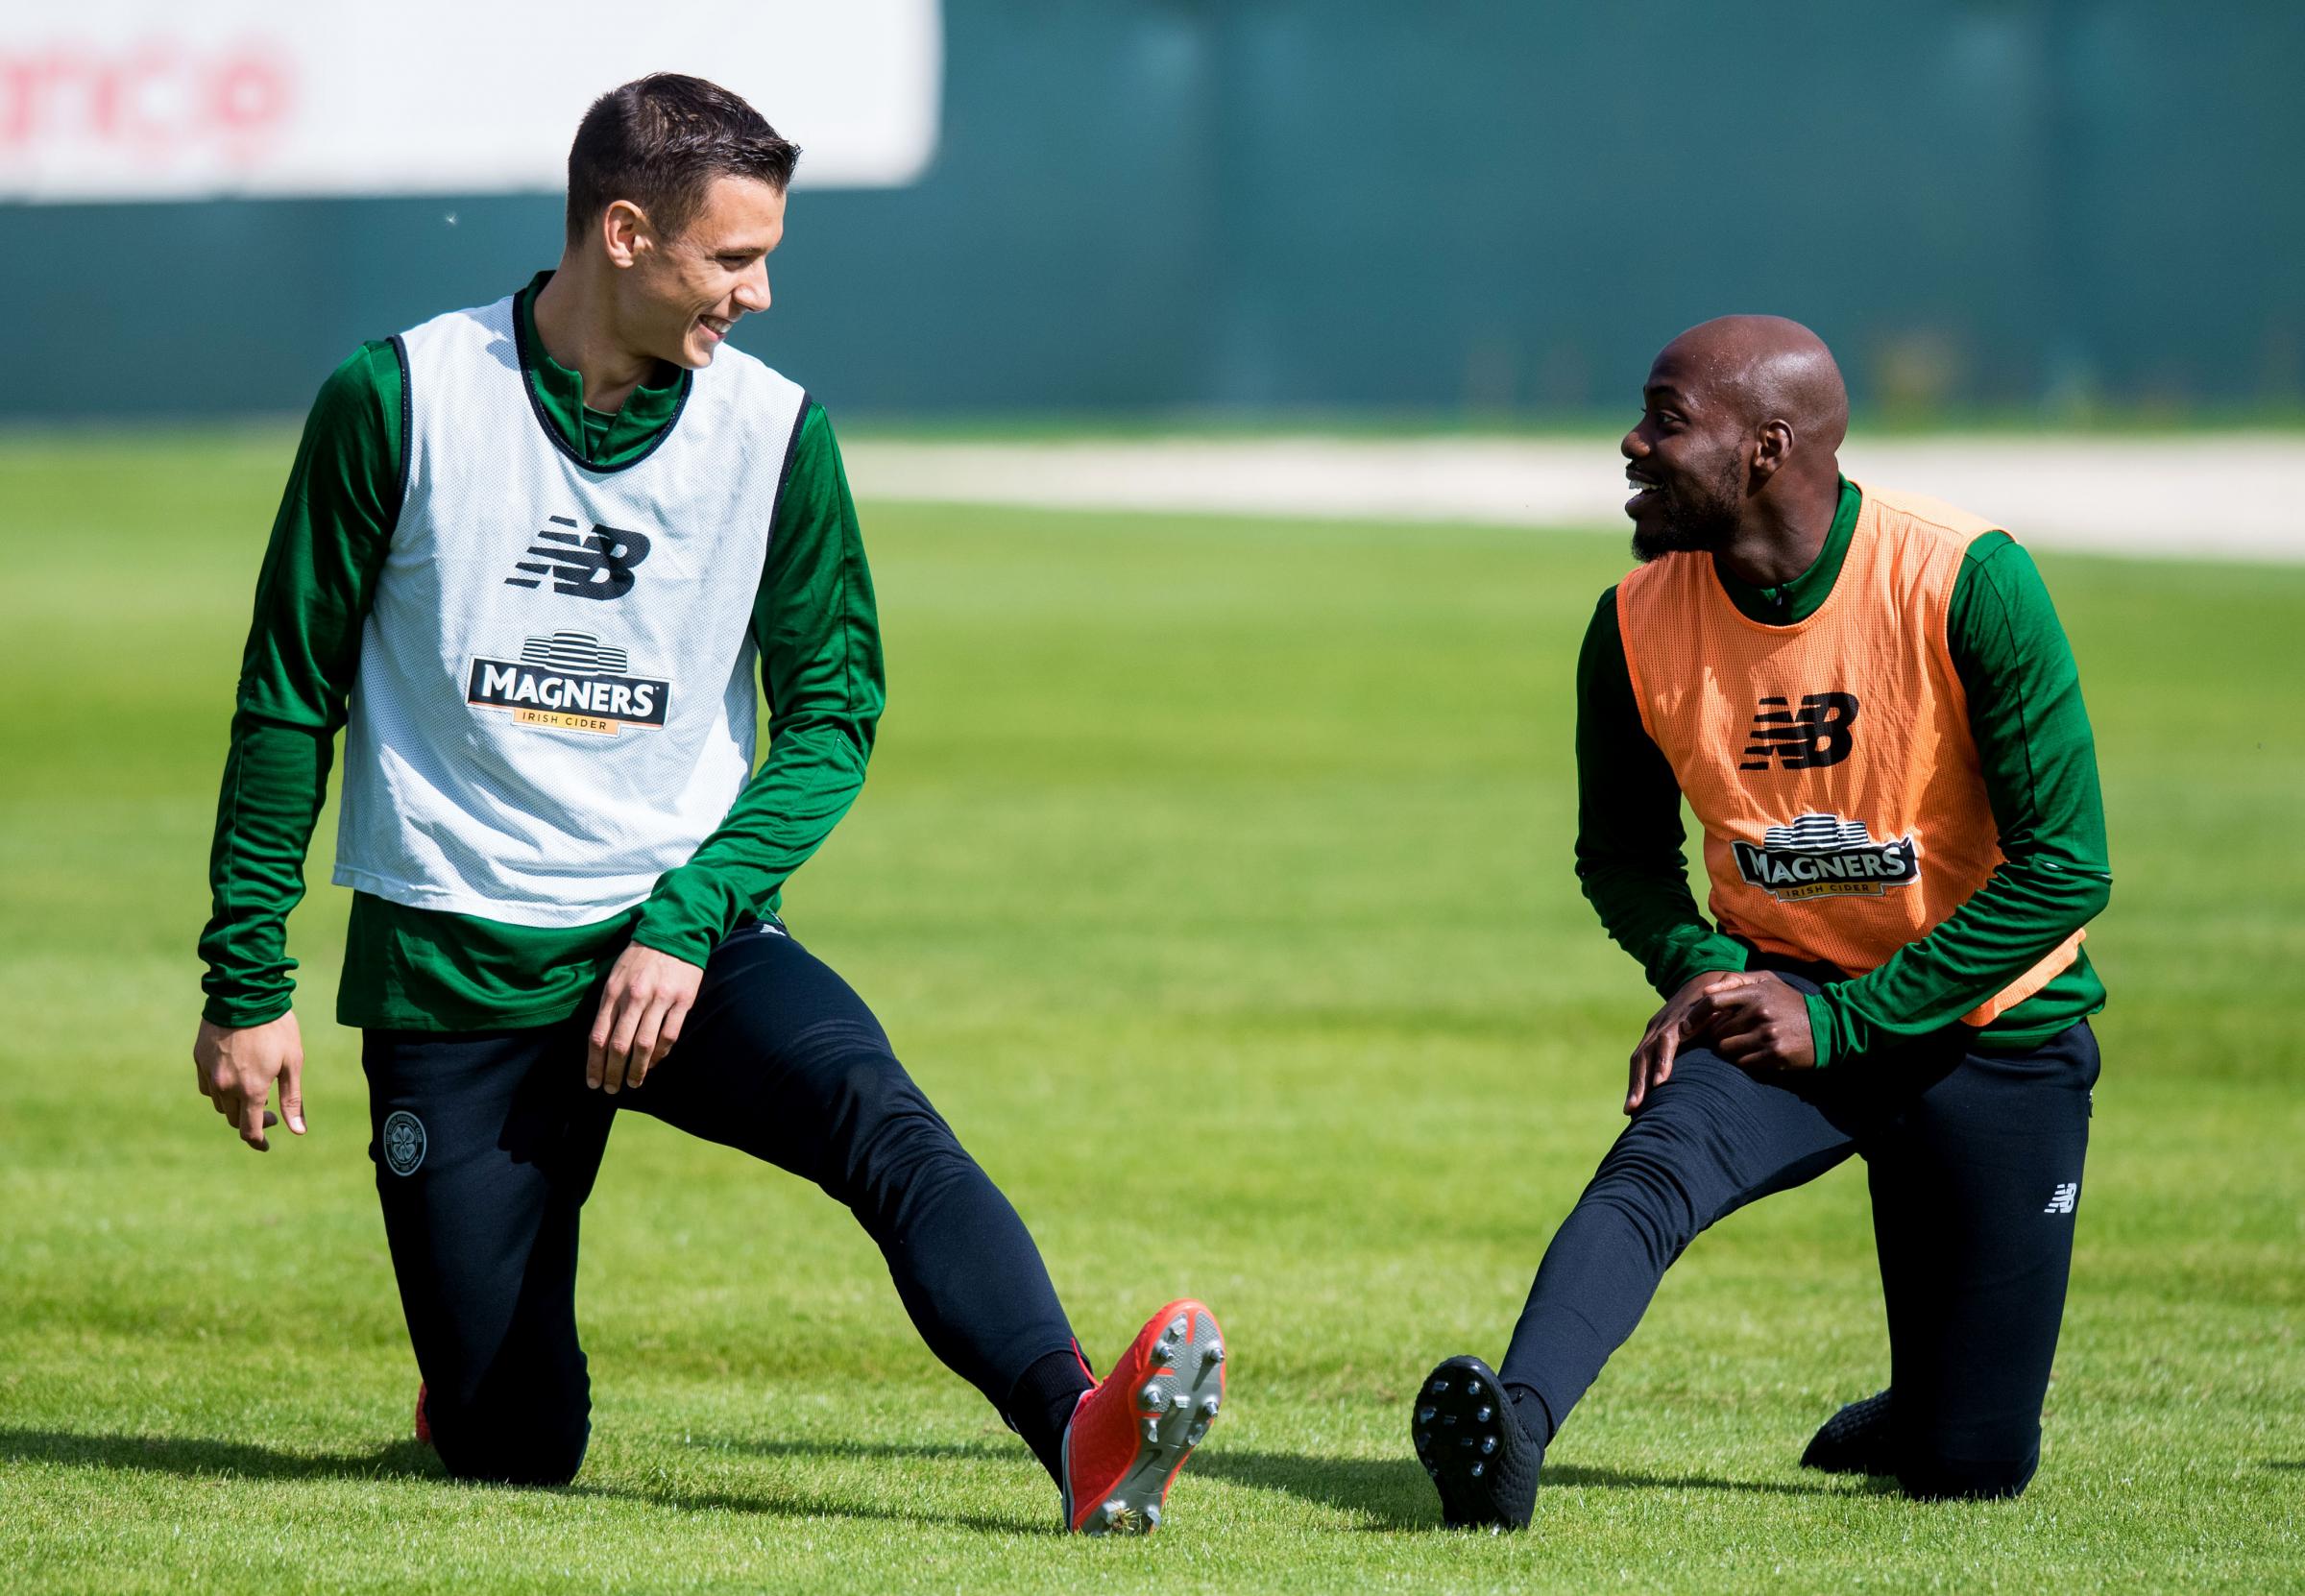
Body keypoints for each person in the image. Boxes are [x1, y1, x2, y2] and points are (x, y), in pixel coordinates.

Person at [191, 73, 1224, 1536]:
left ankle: (1081, 1429)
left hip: (683, 935)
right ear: (623, 232)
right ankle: (475, 1375)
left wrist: (687, 916)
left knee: (881, 1114)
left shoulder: (776, 434)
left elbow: (833, 713)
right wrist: (247, 977)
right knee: (514, 1445)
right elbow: (290, 691)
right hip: (456, 965)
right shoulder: (397, 397)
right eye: (732, 258)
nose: (760, 292)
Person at [1413, 315, 2110, 1528]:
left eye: (1667, 421)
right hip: (1777, 998)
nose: (1633, 444)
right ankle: (1510, 1437)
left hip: (1987, 1027)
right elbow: (1620, 857)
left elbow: (2066, 871)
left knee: (1968, 1470)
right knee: (1649, 1177)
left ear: (1767, 450)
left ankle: (1934, 1402)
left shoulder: (1970, 579)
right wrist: (1698, 966)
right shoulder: (1632, 621)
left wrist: (1848, 1021)